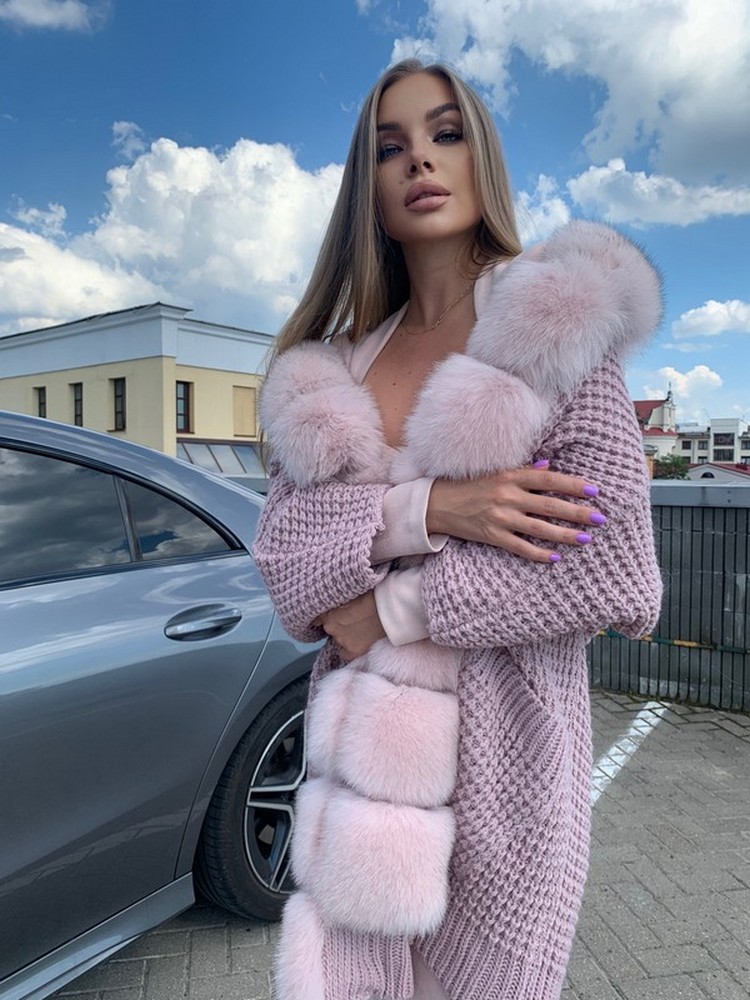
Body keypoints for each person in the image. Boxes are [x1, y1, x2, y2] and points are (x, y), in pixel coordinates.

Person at [253, 59, 662, 1000]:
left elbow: (610, 569)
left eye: (445, 134)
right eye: (389, 147)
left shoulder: (555, 330)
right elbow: (289, 564)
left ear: (482, 157)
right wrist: (435, 507)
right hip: (358, 803)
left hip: (509, 775)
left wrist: (390, 608)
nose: (419, 161)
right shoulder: (332, 372)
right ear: (367, 189)